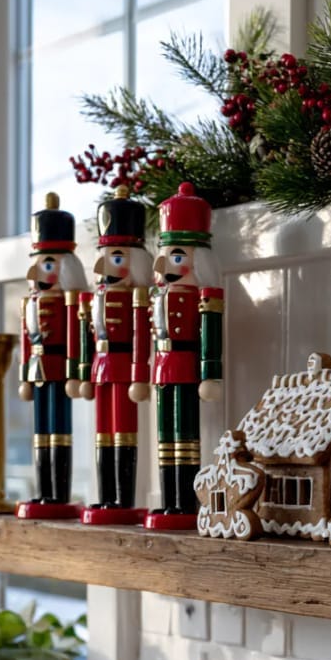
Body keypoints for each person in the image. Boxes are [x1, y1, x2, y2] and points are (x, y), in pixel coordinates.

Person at [144, 182, 223, 530]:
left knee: (186, 436)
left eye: (177, 256)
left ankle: (186, 502)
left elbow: (210, 334)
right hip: (163, 367)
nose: (167, 264)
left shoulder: (203, 296)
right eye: (167, 255)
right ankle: (168, 500)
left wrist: (210, 373)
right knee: (166, 437)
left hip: (188, 365)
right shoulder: (157, 296)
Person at [79, 186, 153, 524]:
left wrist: (139, 375)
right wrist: (85, 373)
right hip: (102, 367)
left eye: (118, 258)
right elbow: (88, 336)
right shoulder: (96, 298)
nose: (106, 266)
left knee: (124, 432)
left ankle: (124, 498)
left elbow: (141, 339)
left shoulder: (136, 298)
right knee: (103, 433)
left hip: (123, 367)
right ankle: (106, 496)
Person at [16, 192, 88, 520]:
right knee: (40, 433)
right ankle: (43, 491)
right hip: (38, 368)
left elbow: (75, 337)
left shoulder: (69, 303)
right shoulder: (30, 302)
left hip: (59, 366)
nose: (40, 273)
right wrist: (24, 375)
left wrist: (75, 372)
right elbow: (26, 339)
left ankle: (59, 492)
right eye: (39, 264)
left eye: (48, 264)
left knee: (60, 431)